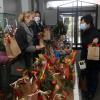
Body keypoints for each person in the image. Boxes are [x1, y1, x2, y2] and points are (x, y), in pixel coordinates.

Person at [80, 14, 100, 100]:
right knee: (84, 73)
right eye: (81, 22)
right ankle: (85, 89)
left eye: (83, 22)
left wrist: (97, 40)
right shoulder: (84, 31)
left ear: (88, 23)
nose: (81, 24)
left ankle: (91, 93)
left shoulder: (95, 32)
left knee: (93, 76)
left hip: (93, 59)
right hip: (83, 56)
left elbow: (98, 38)